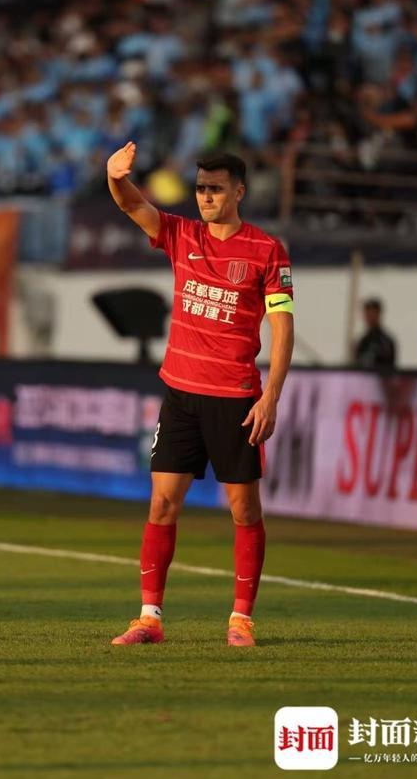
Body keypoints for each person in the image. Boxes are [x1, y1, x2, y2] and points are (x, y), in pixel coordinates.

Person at [107, 142, 294, 647]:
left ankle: (241, 620)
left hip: (235, 399)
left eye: (215, 188)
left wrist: (271, 396)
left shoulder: (266, 250)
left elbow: (282, 326)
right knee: (162, 504)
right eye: (200, 188)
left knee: (244, 511)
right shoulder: (181, 234)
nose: (206, 197)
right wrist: (115, 177)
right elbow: (132, 204)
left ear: (239, 192)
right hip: (181, 395)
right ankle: (149, 619)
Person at [354, 297, 397, 369]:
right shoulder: (362, 341)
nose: (370, 317)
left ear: (378, 314)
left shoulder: (386, 342)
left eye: (373, 313)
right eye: (367, 314)